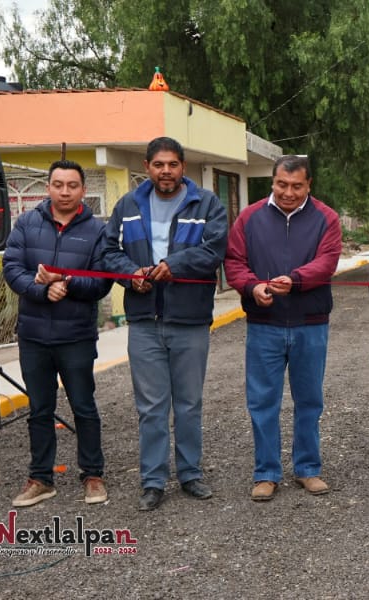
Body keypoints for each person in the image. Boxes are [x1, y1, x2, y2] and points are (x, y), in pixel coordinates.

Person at [101, 137, 228, 511]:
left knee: (189, 403)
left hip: (189, 319)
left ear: (183, 167)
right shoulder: (128, 205)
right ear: (148, 166)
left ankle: (190, 474)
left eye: (173, 164)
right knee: (151, 406)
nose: (166, 171)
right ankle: (153, 481)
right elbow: (109, 251)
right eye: (159, 164)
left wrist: (177, 266)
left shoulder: (206, 204)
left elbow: (215, 249)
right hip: (143, 319)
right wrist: (129, 275)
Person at [225, 155, 342, 502]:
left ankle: (308, 469)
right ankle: (266, 472)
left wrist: (297, 280)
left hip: (310, 324)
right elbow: (234, 262)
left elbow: (328, 261)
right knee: (262, 402)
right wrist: (251, 287)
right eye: (281, 184)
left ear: (308, 185)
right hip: (264, 325)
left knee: (309, 400)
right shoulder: (249, 218)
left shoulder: (327, 218)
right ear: (272, 182)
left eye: (296, 186)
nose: (288, 192)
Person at [2, 159, 113, 508]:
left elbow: (102, 279)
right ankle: (41, 479)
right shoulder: (26, 223)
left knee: (84, 407)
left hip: (76, 335)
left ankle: (92, 475)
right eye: (58, 184)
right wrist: (39, 290)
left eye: (73, 185)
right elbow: (12, 267)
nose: (65, 191)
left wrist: (67, 283)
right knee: (39, 409)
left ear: (82, 190)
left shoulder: (96, 230)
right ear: (48, 187)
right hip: (34, 336)